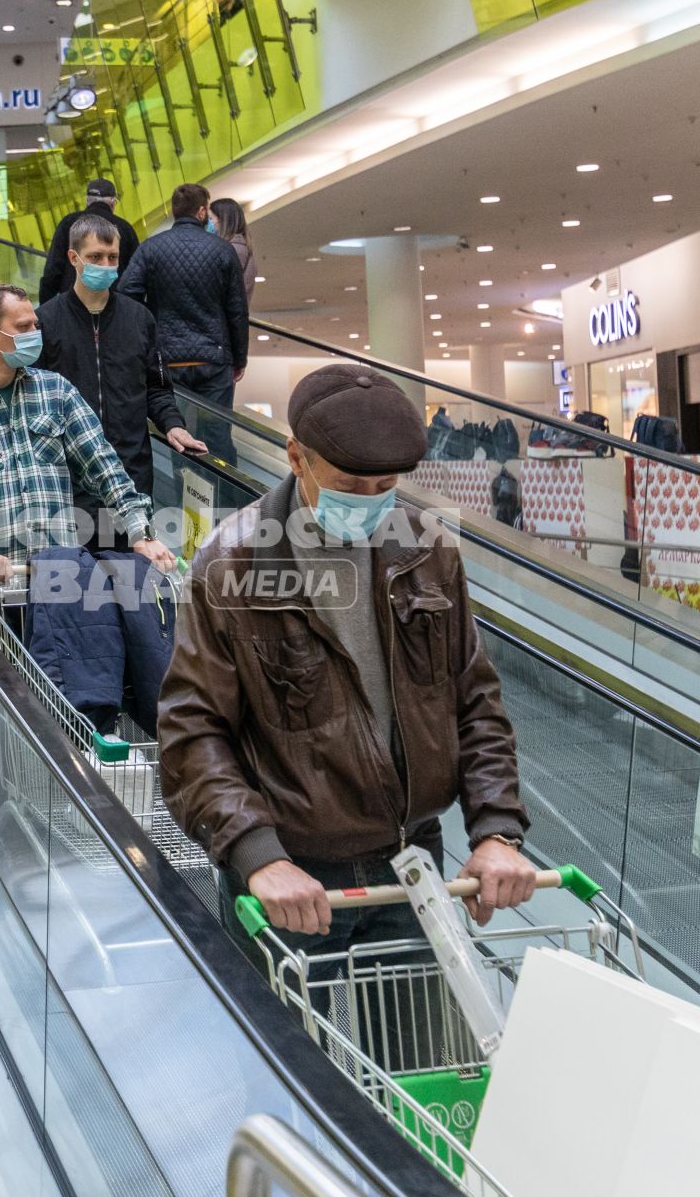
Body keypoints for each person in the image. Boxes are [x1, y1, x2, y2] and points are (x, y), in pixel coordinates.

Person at [160, 365, 535, 967]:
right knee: (287, 1056)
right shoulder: (232, 564)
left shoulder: (427, 551)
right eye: (348, 486)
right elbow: (195, 728)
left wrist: (495, 830)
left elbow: (474, 702)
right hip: (289, 874)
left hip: (413, 857)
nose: (369, 504)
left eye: (383, 486)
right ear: (295, 457)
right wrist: (256, 853)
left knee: (417, 1055)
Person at [0, 283, 176, 578]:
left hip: (60, 583)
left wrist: (141, 532)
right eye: (23, 327)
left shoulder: (57, 392)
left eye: (36, 325)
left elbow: (105, 468)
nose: (35, 334)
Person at [39, 214, 205, 548]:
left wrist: (172, 424)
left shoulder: (139, 318)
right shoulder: (46, 321)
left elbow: (157, 387)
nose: (105, 264)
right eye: (95, 257)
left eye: (112, 257)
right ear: (74, 258)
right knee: (78, 584)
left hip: (131, 473)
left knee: (132, 579)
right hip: (68, 479)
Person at [119, 183, 249, 459]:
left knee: (177, 432)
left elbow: (126, 295)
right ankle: (227, 497)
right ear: (202, 211)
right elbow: (237, 309)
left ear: (174, 211)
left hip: (168, 359)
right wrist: (240, 358)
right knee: (217, 434)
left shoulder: (150, 249)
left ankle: (184, 496)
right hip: (214, 359)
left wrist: (150, 332)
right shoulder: (222, 250)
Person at [38, 178, 139, 303]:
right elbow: (135, 275)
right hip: (114, 303)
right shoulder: (125, 228)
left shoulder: (68, 223)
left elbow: (53, 271)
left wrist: (45, 308)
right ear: (113, 203)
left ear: (87, 201)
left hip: (73, 301)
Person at [210, 198, 259, 305]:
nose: (208, 223)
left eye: (211, 218)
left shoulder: (233, 250)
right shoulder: (240, 248)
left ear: (222, 221)